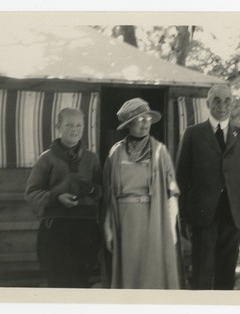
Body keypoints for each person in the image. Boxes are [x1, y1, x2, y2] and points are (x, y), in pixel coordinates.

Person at [176, 84, 240, 290]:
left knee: (227, 275)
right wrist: (185, 216)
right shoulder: (193, 134)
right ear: (207, 104)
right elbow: (181, 178)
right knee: (202, 275)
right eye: (217, 100)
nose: (222, 105)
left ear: (232, 103)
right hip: (203, 215)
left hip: (233, 215)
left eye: (227, 100)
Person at [102, 98, 180, 289]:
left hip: (152, 218)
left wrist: (171, 224)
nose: (146, 123)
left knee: (152, 271)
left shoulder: (160, 151)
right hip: (124, 219)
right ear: (128, 124)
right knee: (128, 272)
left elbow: (172, 192)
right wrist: (108, 226)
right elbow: (108, 194)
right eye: (140, 119)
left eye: (148, 118)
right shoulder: (116, 152)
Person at [25, 108, 102, 288]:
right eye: (68, 125)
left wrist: (91, 190)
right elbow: (31, 193)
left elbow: (101, 191)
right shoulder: (46, 159)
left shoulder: (91, 159)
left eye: (78, 125)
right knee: (57, 279)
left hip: (86, 229)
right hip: (55, 229)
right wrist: (56, 197)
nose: (74, 129)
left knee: (82, 280)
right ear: (58, 126)